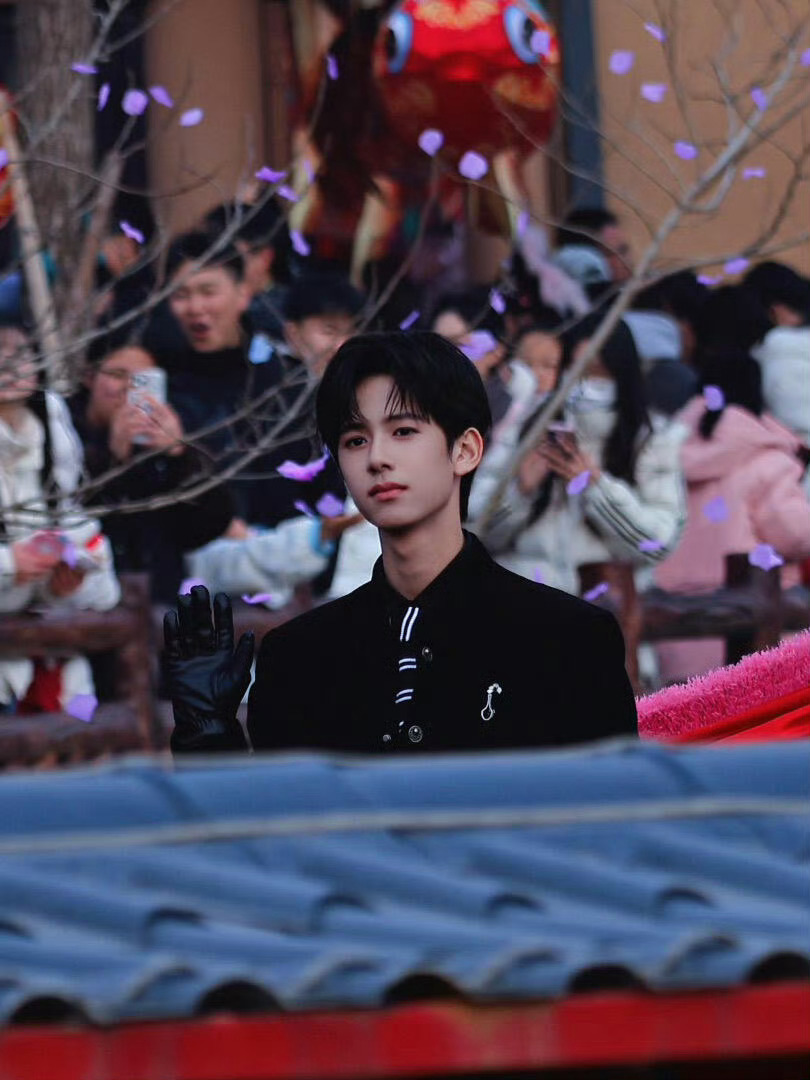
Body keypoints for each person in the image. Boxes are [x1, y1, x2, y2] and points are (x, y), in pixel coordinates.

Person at [164, 331, 638, 755]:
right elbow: (275, 822)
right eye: (355, 440)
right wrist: (207, 733)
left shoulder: (567, 639)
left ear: (465, 450)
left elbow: (611, 815)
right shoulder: (299, 657)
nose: (377, 458)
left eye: (403, 431)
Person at [654, 286, 810, 683]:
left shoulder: (668, 454)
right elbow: (795, 534)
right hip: (754, 628)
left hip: (673, 623)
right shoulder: (768, 460)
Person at [477, 317, 686, 596]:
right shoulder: (527, 428)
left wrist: (597, 488)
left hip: (604, 608)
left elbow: (658, 544)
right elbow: (476, 532)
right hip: (523, 604)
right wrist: (520, 491)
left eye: (600, 372)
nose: (587, 384)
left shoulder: (651, 440)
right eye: (576, 370)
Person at [0, 326, 120, 713]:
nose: (8, 365)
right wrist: (9, 565)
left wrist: (66, 586)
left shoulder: (53, 436)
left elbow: (103, 584)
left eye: (18, 352)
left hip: (53, 669)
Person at [68, 344, 236, 602]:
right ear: (90, 377)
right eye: (118, 375)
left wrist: (179, 455)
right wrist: (112, 461)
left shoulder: (174, 429)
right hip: (87, 599)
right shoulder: (63, 430)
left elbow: (207, 525)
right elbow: (71, 516)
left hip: (160, 600)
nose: (129, 388)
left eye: (143, 379)